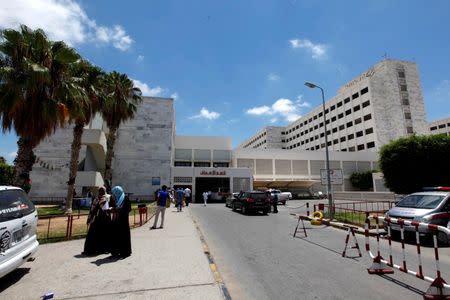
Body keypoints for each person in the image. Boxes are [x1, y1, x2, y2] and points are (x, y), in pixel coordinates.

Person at [83, 186, 112, 256]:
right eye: (100, 191)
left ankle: (104, 249)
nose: (101, 192)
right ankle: (91, 249)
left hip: (105, 219)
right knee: (92, 234)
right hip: (96, 218)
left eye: (102, 190)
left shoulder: (108, 197)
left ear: (105, 191)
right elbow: (92, 209)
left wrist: (110, 209)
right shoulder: (96, 198)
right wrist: (89, 219)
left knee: (104, 234)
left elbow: (112, 206)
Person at [110, 186, 132, 258]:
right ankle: (115, 252)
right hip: (116, 220)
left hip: (123, 221)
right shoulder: (114, 199)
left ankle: (125, 252)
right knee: (115, 236)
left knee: (124, 236)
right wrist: (112, 209)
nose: (113, 194)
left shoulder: (125, 198)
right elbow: (112, 206)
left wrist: (120, 210)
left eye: (115, 193)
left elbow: (129, 209)